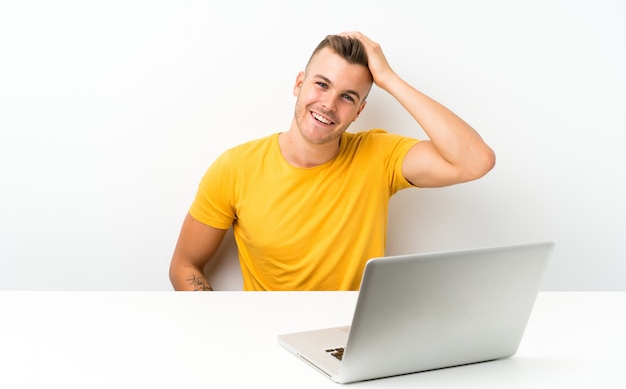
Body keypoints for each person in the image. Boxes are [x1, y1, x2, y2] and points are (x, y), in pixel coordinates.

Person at [169, 32, 495, 291]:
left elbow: (475, 161)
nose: (328, 104)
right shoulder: (234, 167)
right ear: (299, 84)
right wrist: (223, 325)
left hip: (349, 339)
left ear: (359, 111)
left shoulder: (379, 155)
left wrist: (390, 79)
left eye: (348, 97)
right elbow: (184, 266)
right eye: (321, 84)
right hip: (267, 340)